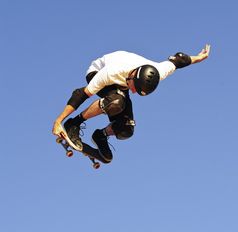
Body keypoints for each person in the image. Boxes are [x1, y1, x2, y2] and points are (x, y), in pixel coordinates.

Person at [52, 44, 211, 162]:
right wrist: (59, 121)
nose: (133, 92)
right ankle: (75, 123)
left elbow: (179, 60)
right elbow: (81, 94)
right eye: (134, 88)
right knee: (116, 102)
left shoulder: (159, 71)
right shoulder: (111, 72)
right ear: (132, 76)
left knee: (125, 129)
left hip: (121, 84)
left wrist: (199, 57)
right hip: (96, 71)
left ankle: (100, 136)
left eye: (136, 91)